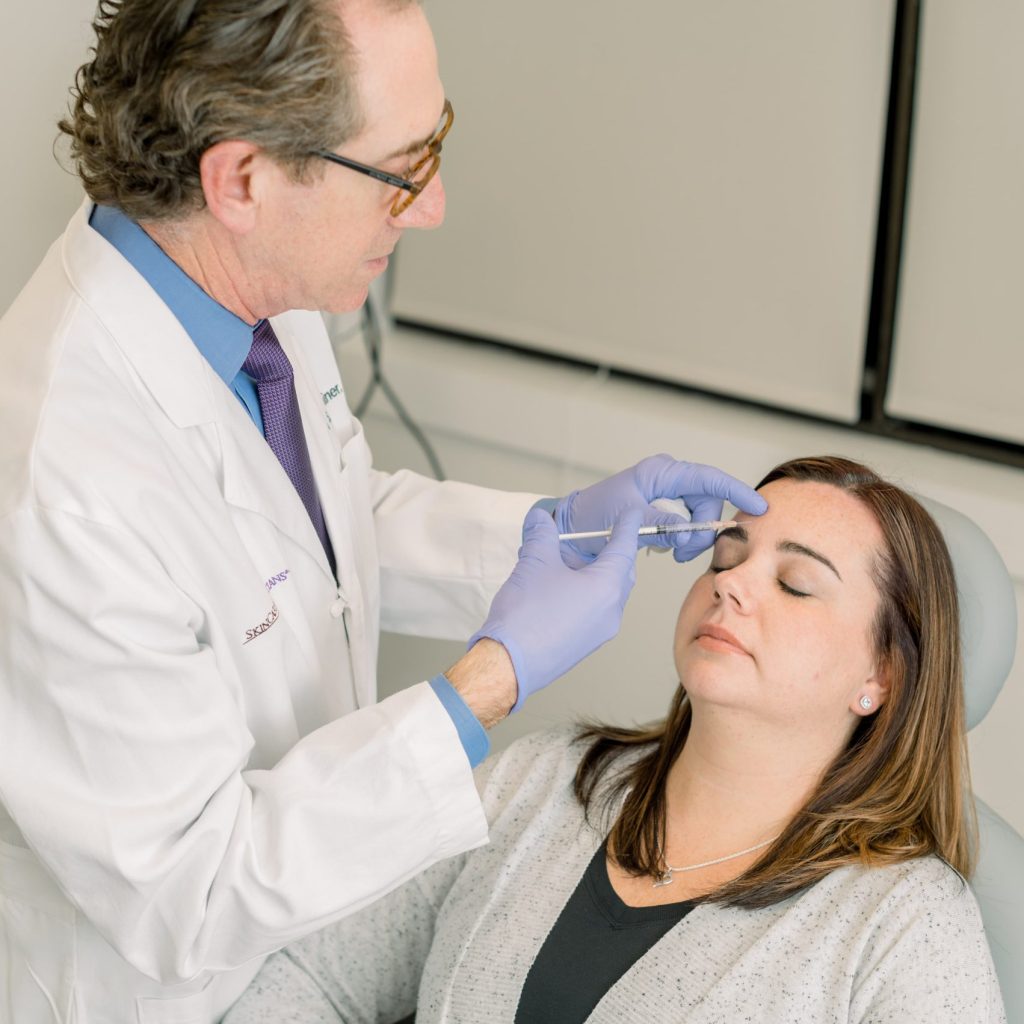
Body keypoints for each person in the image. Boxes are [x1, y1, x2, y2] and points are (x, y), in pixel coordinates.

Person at [0, 0, 768, 1020]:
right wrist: (491, 680)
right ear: (243, 179)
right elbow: (194, 891)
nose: (435, 205)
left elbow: (312, 528)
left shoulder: (259, 285)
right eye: (402, 167)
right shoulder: (62, 479)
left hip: (313, 954)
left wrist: (555, 530)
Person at [224, 456, 1006, 1024]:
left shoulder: (905, 926)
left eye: (794, 583)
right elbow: (313, 983)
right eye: (727, 556)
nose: (730, 582)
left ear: (883, 677)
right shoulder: (545, 783)